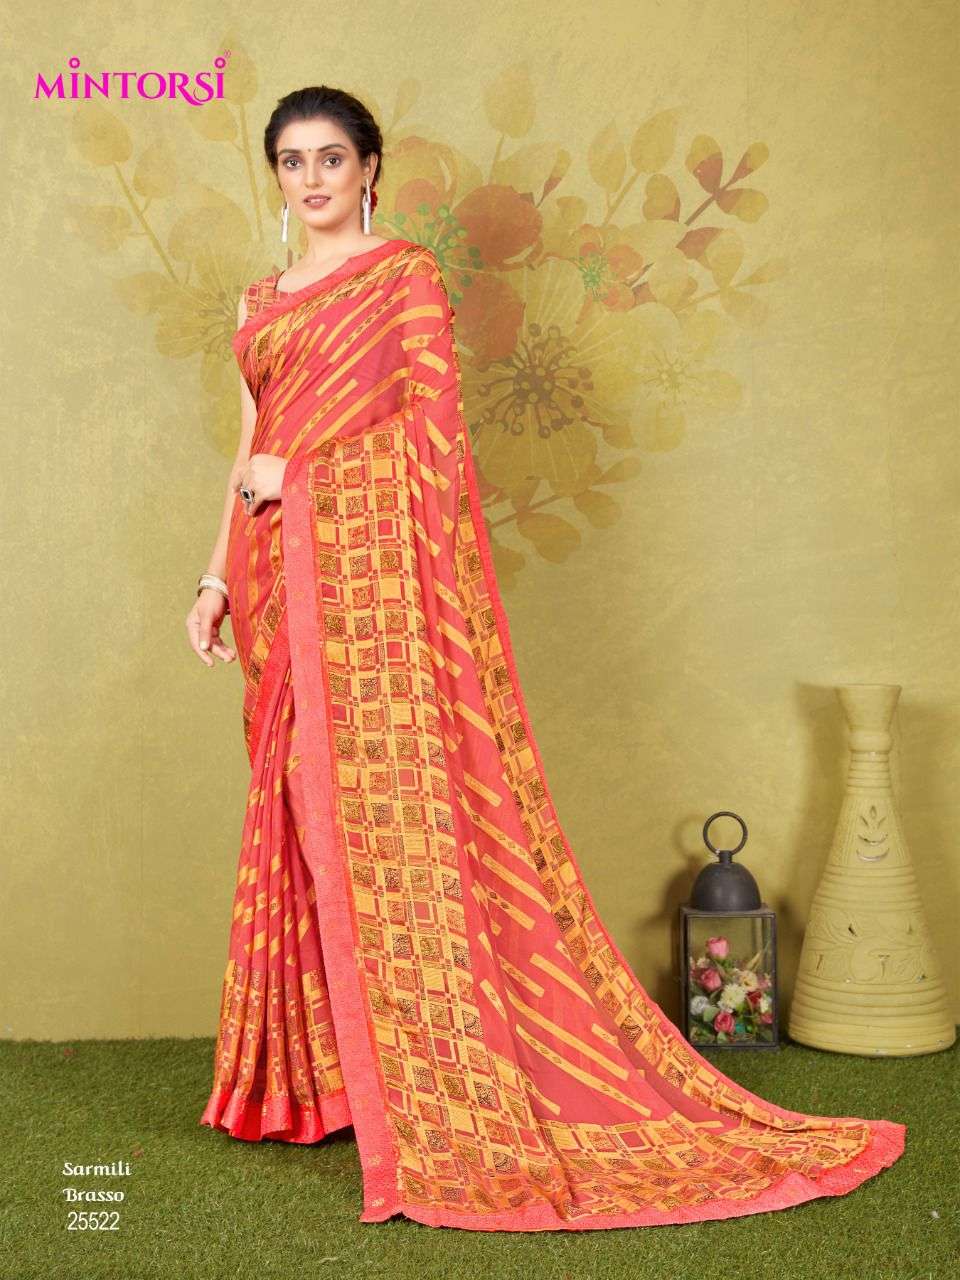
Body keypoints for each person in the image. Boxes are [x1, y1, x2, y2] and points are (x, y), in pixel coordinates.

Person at [188, 85, 906, 1231]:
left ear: (370, 168)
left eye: (330, 157)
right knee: (299, 815)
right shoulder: (260, 300)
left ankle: (430, 1078)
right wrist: (218, 577)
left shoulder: (402, 281)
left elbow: (432, 443)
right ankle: (321, 1081)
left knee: (385, 820)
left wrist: (304, 482)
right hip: (281, 586)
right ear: (275, 175)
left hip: (367, 597)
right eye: (291, 160)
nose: (311, 178)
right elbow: (248, 449)